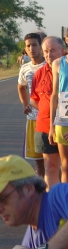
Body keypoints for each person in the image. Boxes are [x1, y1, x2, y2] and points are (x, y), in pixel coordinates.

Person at [30, 36, 64, 189]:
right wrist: (47, 112)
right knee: (50, 167)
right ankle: (53, 206)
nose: (49, 55)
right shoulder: (39, 74)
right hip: (44, 127)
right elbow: (34, 100)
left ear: (62, 51)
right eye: (45, 51)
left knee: (66, 168)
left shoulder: (65, 71)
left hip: (64, 126)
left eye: (53, 51)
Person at [18, 33, 45, 178]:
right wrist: (25, 104)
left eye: (34, 45)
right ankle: (43, 197)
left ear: (41, 46)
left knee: (53, 161)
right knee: (39, 162)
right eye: (28, 46)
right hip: (33, 119)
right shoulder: (25, 68)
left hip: (49, 119)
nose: (31, 48)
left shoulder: (50, 65)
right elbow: (21, 87)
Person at [49, 38, 68, 182]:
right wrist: (51, 126)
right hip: (63, 116)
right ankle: (64, 203)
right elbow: (54, 95)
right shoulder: (58, 63)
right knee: (66, 166)